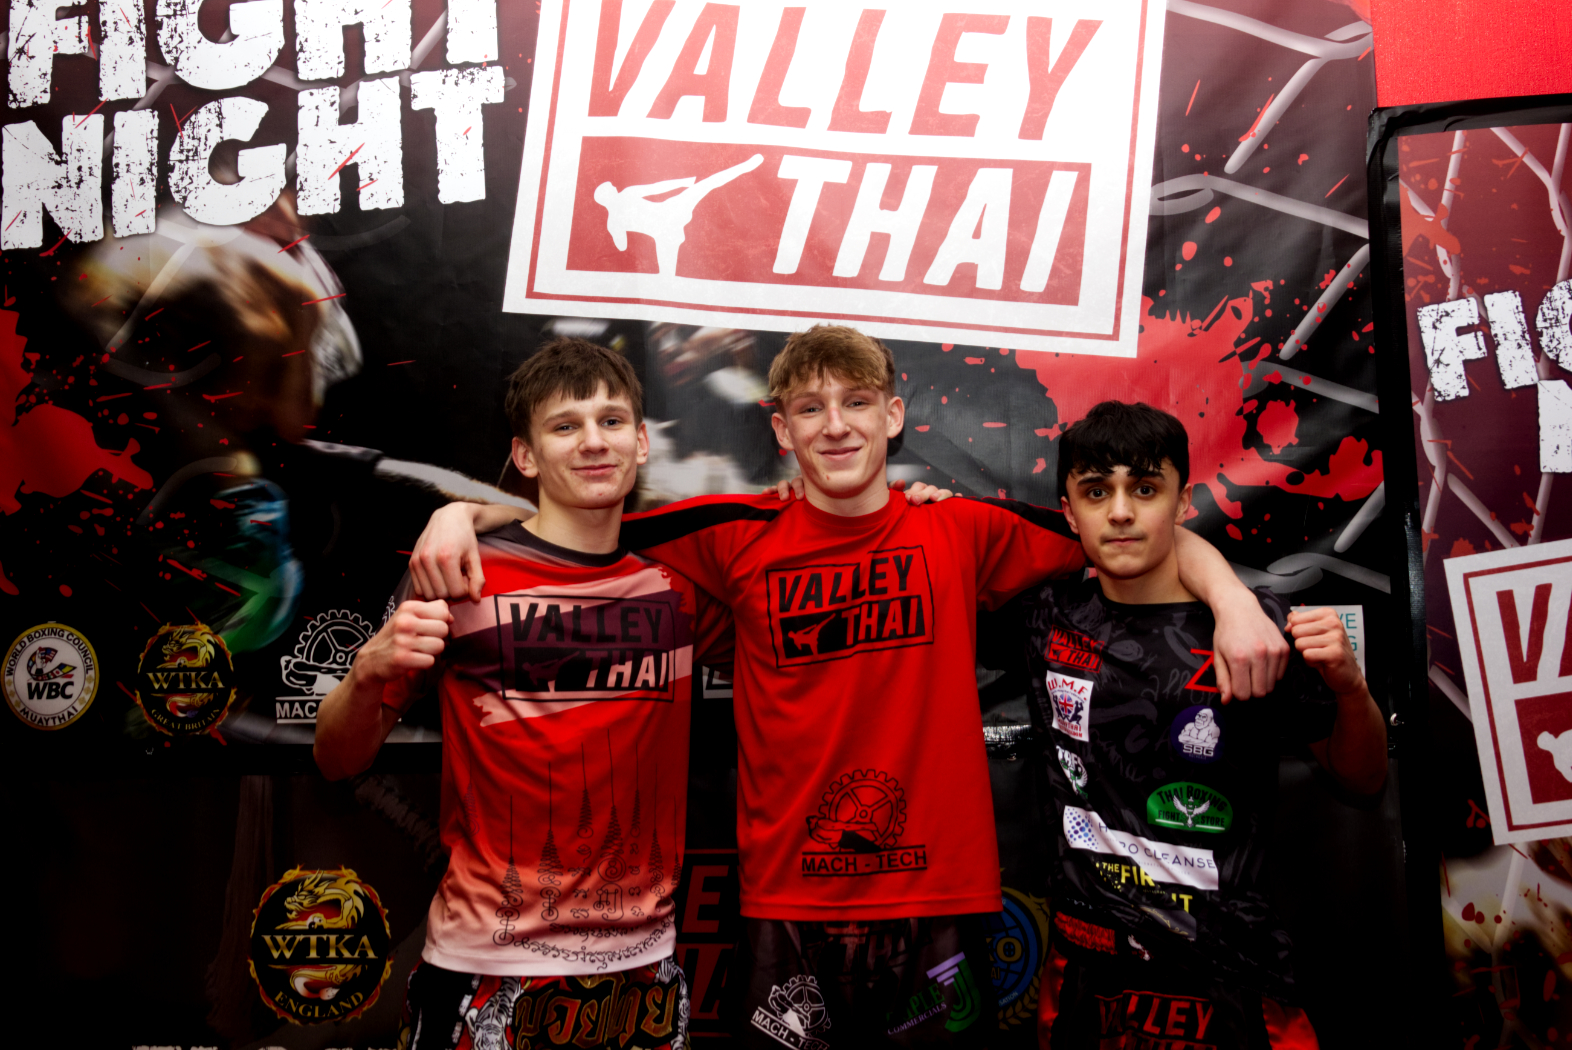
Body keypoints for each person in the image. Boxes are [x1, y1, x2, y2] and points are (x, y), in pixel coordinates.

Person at [408, 325, 1291, 1048]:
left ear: (893, 415)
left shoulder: (962, 529)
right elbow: (576, 511)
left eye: (857, 402)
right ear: (781, 430)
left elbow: (1127, 532)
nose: (835, 426)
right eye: (810, 408)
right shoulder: (731, 532)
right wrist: (462, 513)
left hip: (938, 903)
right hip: (788, 905)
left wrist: (1230, 599)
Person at [314, 338, 733, 1050]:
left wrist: (915, 506)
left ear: (640, 442)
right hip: (484, 965)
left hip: (642, 974)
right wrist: (365, 672)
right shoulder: (458, 571)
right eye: (565, 425)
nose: (592, 441)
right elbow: (336, 758)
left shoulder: (682, 585)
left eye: (610, 421)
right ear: (526, 455)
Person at [1023, 400, 1386, 1049]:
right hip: (1087, 973)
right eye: (1097, 491)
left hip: (1229, 978)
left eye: (1145, 488)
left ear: (1183, 502)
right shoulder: (1046, 615)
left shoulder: (1255, 631)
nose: (1121, 511)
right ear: (1069, 511)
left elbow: (1362, 778)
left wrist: (1351, 688)